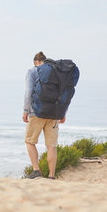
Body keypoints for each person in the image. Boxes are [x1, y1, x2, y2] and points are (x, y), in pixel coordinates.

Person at [22, 51, 64, 179]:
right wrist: (62, 112)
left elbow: (29, 92)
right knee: (51, 146)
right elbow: (63, 93)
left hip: (37, 112)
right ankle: (51, 176)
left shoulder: (32, 71)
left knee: (30, 141)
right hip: (54, 114)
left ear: (35, 62)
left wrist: (25, 110)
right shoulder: (56, 73)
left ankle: (36, 171)